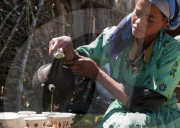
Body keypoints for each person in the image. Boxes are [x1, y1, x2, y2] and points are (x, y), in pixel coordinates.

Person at [49, 0, 180, 127]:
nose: (139, 22)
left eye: (149, 19)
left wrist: (96, 73)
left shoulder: (172, 50)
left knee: (130, 124)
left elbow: (145, 104)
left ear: (165, 22)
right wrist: (67, 51)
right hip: (122, 110)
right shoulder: (117, 38)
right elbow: (80, 60)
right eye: (137, 13)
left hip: (158, 116)